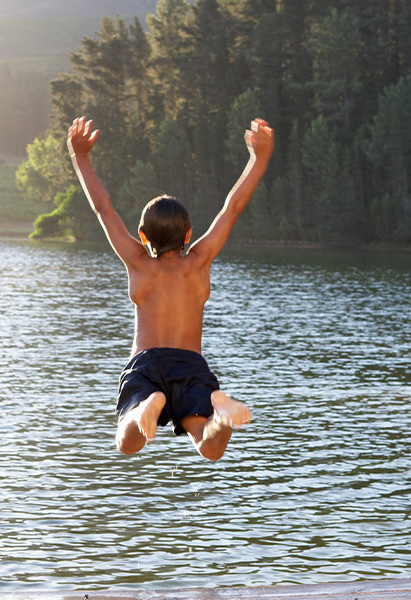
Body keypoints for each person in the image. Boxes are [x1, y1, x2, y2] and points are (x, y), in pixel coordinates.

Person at [67, 115, 274, 461]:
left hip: (146, 364)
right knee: (209, 447)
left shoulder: (138, 261)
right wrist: (259, 158)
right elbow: (232, 208)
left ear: (144, 236)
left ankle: (145, 406)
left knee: (127, 442)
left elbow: (103, 209)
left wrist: (81, 157)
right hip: (190, 365)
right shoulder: (199, 261)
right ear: (189, 235)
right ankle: (220, 417)